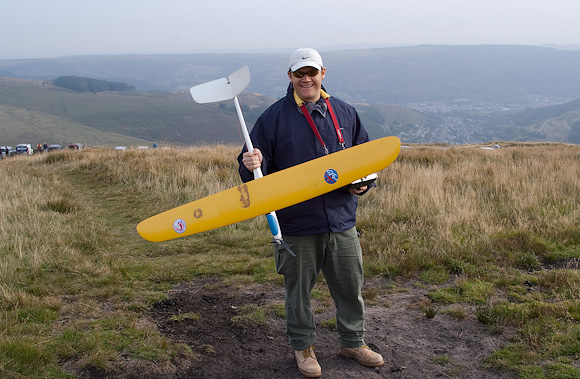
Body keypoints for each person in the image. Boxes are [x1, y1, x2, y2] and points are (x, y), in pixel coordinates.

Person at [238, 48, 384, 378]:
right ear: (289, 77)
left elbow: (365, 160)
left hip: (341, 219)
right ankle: (303, 347)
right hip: (297, 222)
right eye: (299, 73)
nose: (306, 79)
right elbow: (251, 170)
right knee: (298, 291)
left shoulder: (345, 112)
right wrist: (250, 166)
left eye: (311, 72)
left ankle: (353, 341)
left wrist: (364, 185)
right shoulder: (274, 117)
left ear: (322, 73)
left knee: (350, 285)